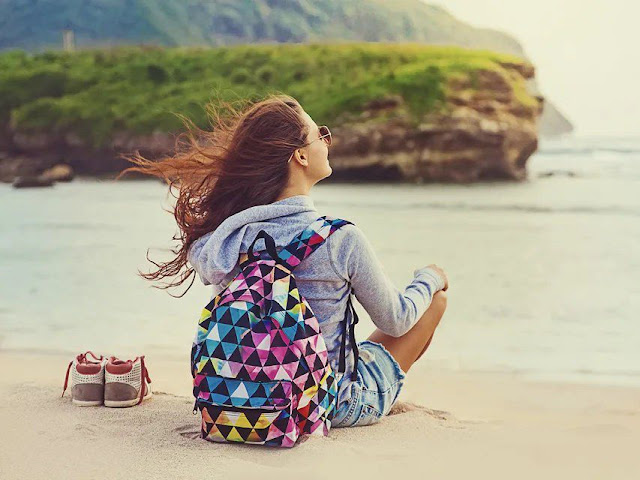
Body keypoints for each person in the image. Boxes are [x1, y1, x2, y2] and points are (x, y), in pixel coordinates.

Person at [120, 93, 449, 428]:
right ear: (301, 156)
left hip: (242, 399)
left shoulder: (229, 240)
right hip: (325, 405)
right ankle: (382, 391)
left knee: (363, 349)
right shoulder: (339, 239)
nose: (327, 140)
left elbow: (204, 254)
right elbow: (396, 319)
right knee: (434, 302)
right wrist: (430, 277)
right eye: (320, 134)